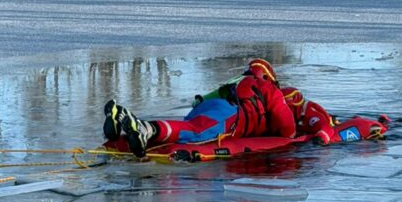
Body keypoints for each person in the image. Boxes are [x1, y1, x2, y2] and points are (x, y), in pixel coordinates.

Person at [103, 58, 297, 158]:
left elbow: (199, 101)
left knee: (186, 130)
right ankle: (145, 128)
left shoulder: (235, 82)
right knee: (195, 131)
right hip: (230, 115)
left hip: (210, 106)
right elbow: (288, 129)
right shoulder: (270, 89)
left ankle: (122, 120)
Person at [280, 86, 390, 144]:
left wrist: (320, 138)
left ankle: (379, 123)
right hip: (309, 131)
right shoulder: (294, 115)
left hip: (331, 130)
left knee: (332, 138)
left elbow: (325, 128)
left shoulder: (310, 113)